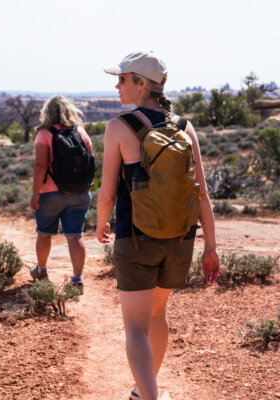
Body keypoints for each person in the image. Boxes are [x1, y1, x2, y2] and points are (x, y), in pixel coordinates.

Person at [96, 52, 220, 400]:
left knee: (135, 328)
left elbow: (106, 193)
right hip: (180, 239)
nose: (117, 85)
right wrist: (211, 246)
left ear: (142, 84)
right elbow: (202, 195)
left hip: (136, 238)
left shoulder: (119, 127)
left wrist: (100, 224)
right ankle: (142, 391)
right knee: (157, 314)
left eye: (123, 78)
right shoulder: (184, 127)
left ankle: (148, 397)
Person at [30, 95, 94, 294]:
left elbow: (41, 164)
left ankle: (41, 270)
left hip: (50, 193)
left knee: (45, 233)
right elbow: (91, 161)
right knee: (75, 236)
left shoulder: (44, 134)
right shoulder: (80, 132)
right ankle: (77, 278)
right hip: (80, 192)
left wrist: (35, 192)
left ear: (46, 113)